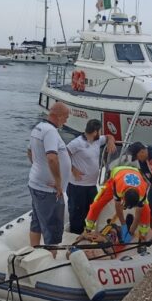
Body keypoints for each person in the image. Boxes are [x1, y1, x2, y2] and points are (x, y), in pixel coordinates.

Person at [27, 102, 71, 249]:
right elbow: (52, 158)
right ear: (57, 116)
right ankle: (49, 259)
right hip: (48, 190)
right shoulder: (50, 131)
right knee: (52, 227)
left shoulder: (37, 128)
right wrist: (58, 183)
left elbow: (29, 152)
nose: (66, 120)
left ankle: (34, 252)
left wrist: (38, 168)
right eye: (65, 117)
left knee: (37, 221)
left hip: (35, 183)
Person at [66, 119, 116, 234]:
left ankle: (88, 232)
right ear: (95, 132)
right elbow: (63, 155)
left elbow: (109, 136)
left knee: (92, 210)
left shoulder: (97, 140)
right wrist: (73, 169)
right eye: (100, 131)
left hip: (92, 185)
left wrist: (111, 142)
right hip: (77, 186)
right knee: (77, 214)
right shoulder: (76, 143)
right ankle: (75, 235)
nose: (101, 133)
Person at [85, 165, 151, 242]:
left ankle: (143, 236)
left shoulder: (142, 194)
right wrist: (124, 225)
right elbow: (118, 208)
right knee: (98, 203)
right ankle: (88, 229)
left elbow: (138, 215)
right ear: (123, 197)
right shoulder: (118, 189)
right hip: (117, 176)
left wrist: (130, 232)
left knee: (146, 211)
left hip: (135, 173)